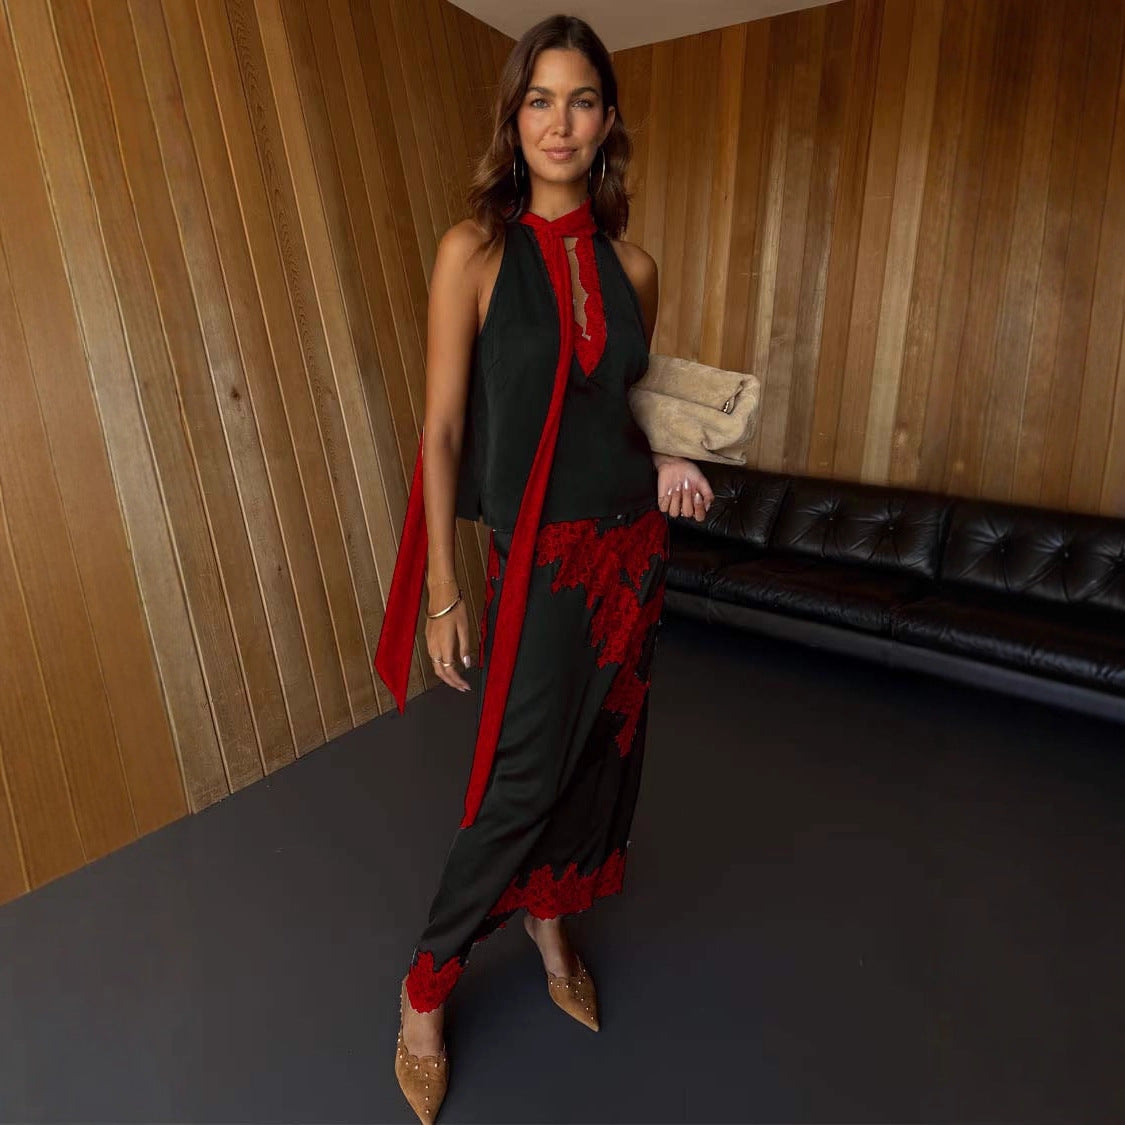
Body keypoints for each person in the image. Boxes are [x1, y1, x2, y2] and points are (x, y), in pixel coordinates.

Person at [374, 14, 715, 1123]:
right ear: (513, 119)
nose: (559, 123)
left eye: (581, 101)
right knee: (520, 777)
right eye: (539, 100)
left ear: (608, 122)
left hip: (631, 554)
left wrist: (670, 455)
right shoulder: (472, 252)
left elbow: (620, 403)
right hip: (537, 562)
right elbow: (440, 431)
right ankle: (426, 987)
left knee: (600, 763)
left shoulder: (635, 268)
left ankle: (551, 924)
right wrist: (443, 588)